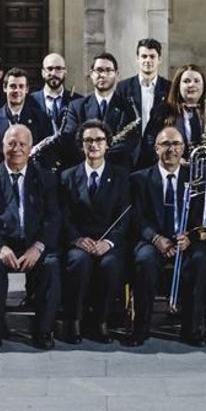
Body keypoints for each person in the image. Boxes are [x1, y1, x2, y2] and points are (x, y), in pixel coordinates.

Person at [0, 124, 62, 356]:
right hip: (3, 244)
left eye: (22, 144)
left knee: (51, 265)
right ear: (2, 146)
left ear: (31, 148)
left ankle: (43, 331)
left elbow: (53, 217)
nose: (17, 149)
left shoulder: (45, 178)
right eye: (11, 143)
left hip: (35, 243)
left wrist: (39, 246)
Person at [127, 125, 206, 347]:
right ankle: (141, 328)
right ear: (155, 148)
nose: (171, 149)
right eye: (165, 144)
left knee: (200, 259)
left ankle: (192, 329)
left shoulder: (197, 179)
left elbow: (202, 215)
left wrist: (190, 236)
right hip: (152, 241)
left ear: (184, 148)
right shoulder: (139, 179)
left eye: (176, 144)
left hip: (186, 241)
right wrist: (155, 238)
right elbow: (136, 217)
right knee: (144, 260)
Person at [59, 119, 130, 344]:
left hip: (108, 243)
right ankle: (74, 321)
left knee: (110, 264)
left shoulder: (121, 176)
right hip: (79, 243)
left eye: (99, 140)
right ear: (81, 145)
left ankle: (100, 321)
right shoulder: (67, 176)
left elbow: (125, 216)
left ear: (107, 144)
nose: (94, 145)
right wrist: (77, 239)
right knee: (79, 262)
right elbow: (63, 216)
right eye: (88, 140)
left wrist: (108, 243)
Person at [141, 64, 206, 169]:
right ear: (178, 85)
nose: (192, 85)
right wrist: (170, 158)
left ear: (203, 85)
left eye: (196, 81)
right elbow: (149, 144)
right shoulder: (162, 112)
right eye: (186, 81)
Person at [63, 52, 141, 169]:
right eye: (99, 70)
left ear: (117, 74)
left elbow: (129, 142)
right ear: (91, 74)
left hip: (117, 172)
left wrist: (98, 156)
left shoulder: (129, 106)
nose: (103, 75)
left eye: (108, 70)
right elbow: (71, 139)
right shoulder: (76, 106)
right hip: (84, 170)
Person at [0, 67, 50, 167]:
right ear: (4, 88)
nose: (17, 90)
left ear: (27, 89)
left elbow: (47, 154)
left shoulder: (41, 119)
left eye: (21, 86)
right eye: (12, 86)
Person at [116, 38, 170, 145]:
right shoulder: (123, 87)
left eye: (152, 56)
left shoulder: (169, 87)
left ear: (159, 59)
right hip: (130, 150)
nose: (148, 60)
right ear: (137, 59)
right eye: (144, 56)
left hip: (159, 148)